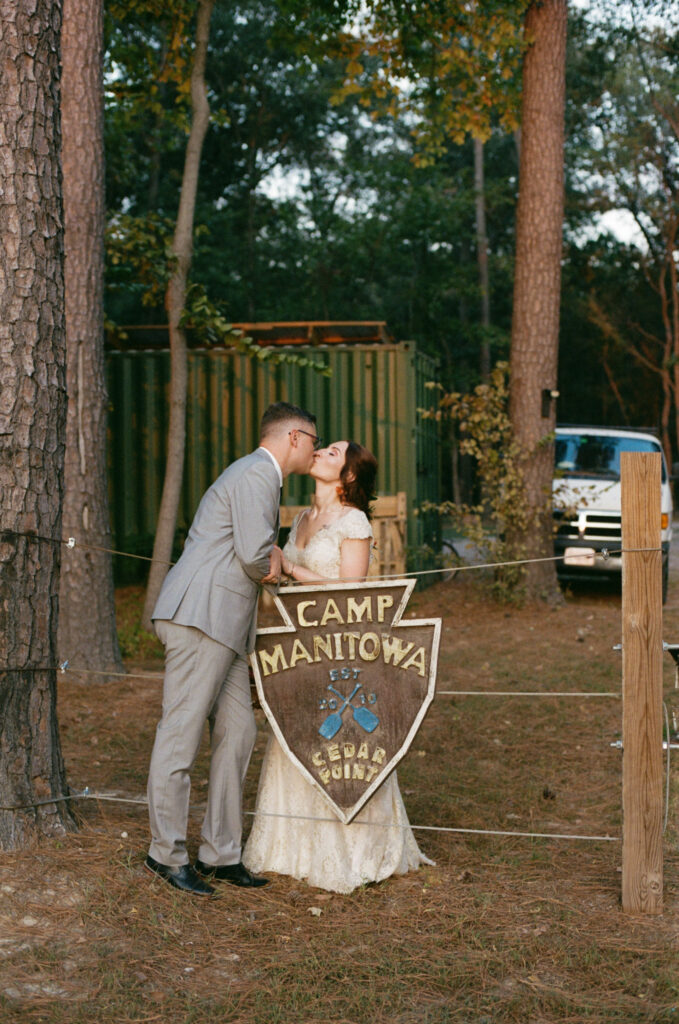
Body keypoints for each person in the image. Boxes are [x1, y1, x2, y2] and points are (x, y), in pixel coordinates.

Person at [145, 401, 320, 897]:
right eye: (312, 439)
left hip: (227, 627)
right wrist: (282, 563)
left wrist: (276, 558)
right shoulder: (255, 475)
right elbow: (253, 557)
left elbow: (253, 553)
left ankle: (220, 855)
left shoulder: (259, 477)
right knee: (180, 735)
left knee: (238, 733)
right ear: (293, 437)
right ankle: (165, 854)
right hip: (200, 618)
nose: (313, 448)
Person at [243, 440, 433, 894]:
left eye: (332, 451)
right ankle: (290, 847)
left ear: (348, 476)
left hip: (341, 648)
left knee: (344, 737)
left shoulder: (355, 522)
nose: (320, 451)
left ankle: (360, 849)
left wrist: (289, 567)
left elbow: (352, 593)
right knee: (297, 730)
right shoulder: (301, 520)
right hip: (301, 647)